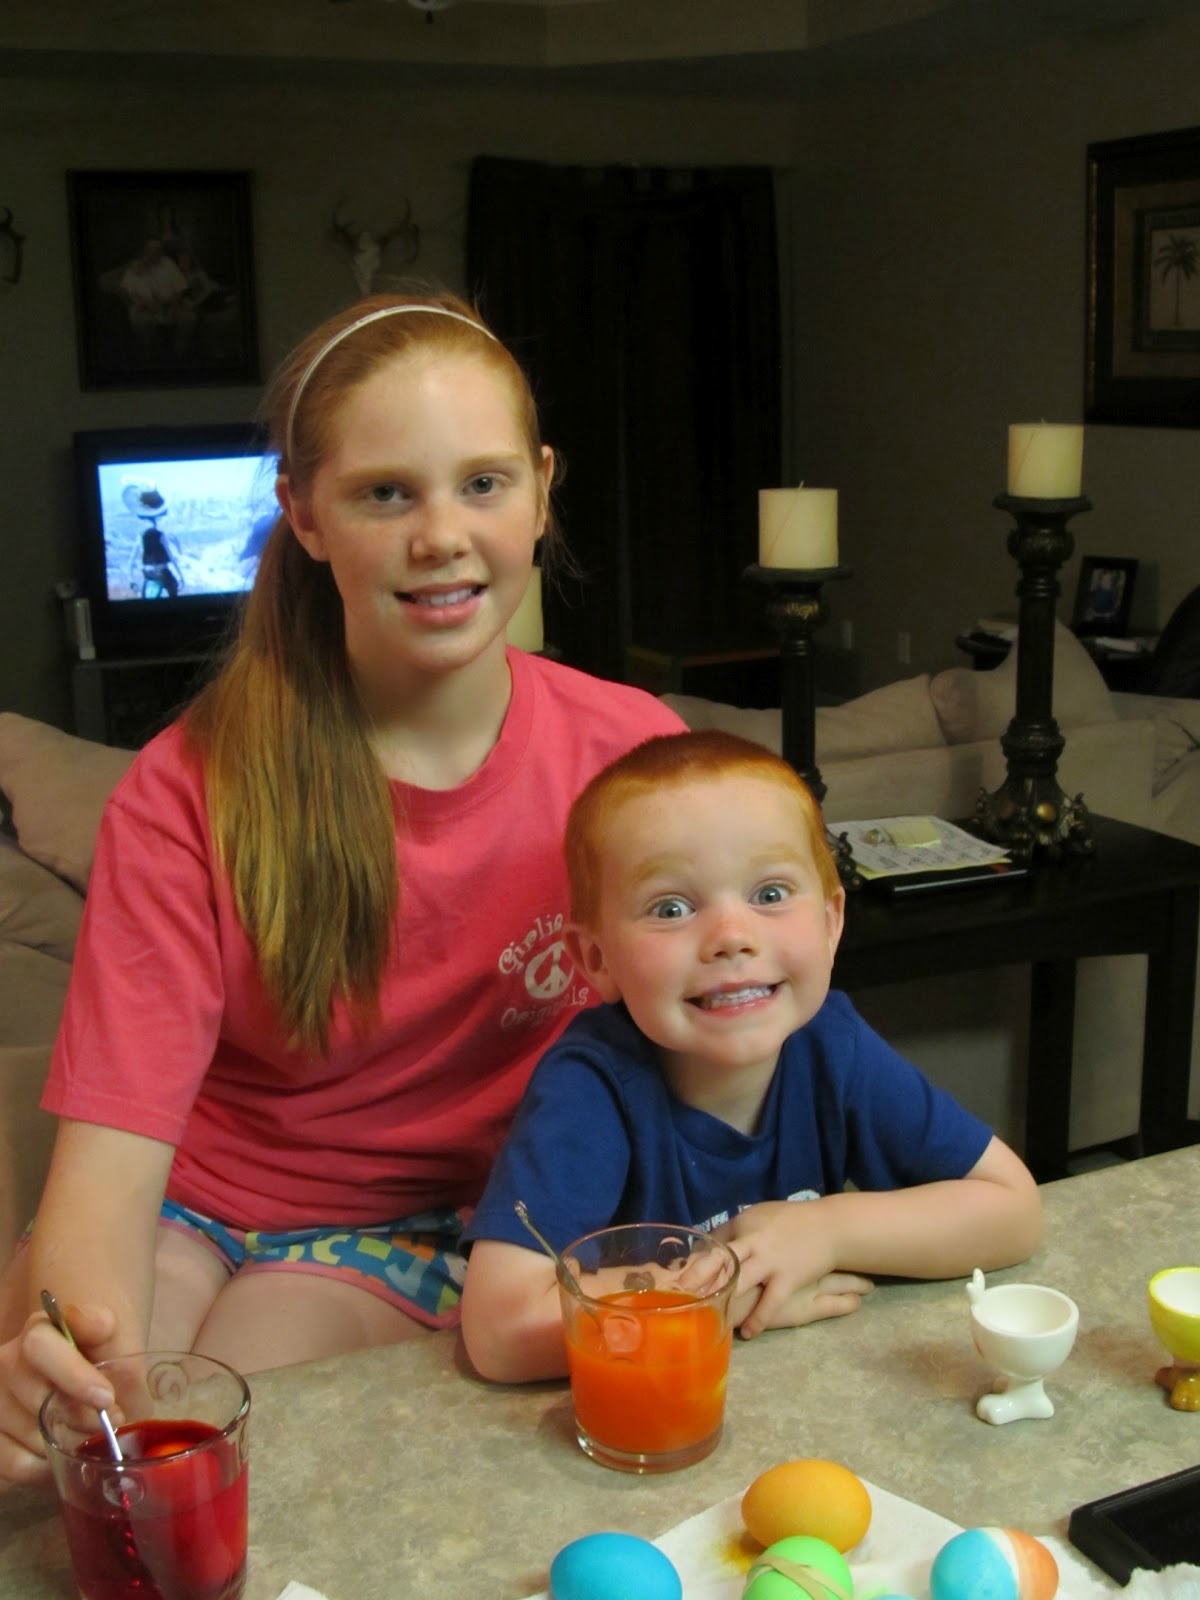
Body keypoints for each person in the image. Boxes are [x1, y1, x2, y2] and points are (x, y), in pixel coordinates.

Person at [0, 290, 683, 1483]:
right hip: (189, 1204)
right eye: (385, 494)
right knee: (90, 1429)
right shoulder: (184, 790)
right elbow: (106, 1168)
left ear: (541, 491)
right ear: (304, 514)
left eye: (483, 482)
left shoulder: (633, 761)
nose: (442, 535)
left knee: (209, 1448)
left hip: (428, 1230)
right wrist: (58, 1343)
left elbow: (734, 1047)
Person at [460, 730, 1044, 1383]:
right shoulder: (591, 1087)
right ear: (597, 959)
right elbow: (499, 1332)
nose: (732, 937)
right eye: (671, 907)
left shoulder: (833, 1045)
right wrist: (723, 1294)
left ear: (831, 923)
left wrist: (825, 1231)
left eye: (769, 894)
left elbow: (1013, 1209)